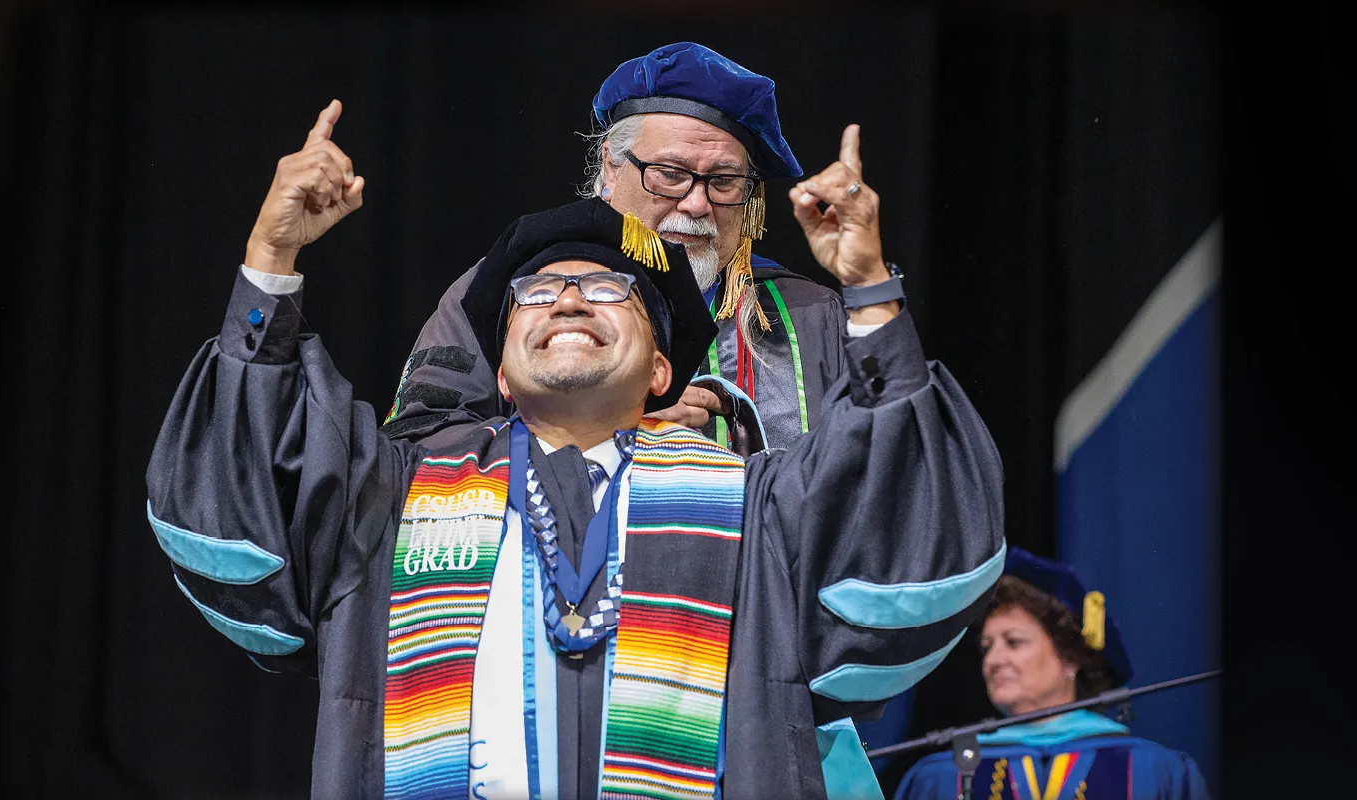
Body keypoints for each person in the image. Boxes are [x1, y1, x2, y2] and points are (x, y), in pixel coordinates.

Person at [145, 99, 1005, 800]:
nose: (567, 302)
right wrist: (272, 256)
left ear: (663, 366)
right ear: (502, 378)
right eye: (542, 291)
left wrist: (869, 288)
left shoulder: (758, 503)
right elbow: (251, 475)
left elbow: (898, 499)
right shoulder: (399, 501)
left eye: (605, 290)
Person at [382, 41, 869, 455]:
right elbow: (416, 449)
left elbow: (875, 479)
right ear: (611, 168)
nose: (696, 204)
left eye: (723, 181)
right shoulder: (510, 291)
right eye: (671, 175)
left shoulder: (808, 316)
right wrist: (595, 430)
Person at [893, 548, 1211, 800]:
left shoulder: (1152, 771)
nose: (993, 660)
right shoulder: (941, 777)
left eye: (1014, 642)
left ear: (1070, 658)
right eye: (987, 647)